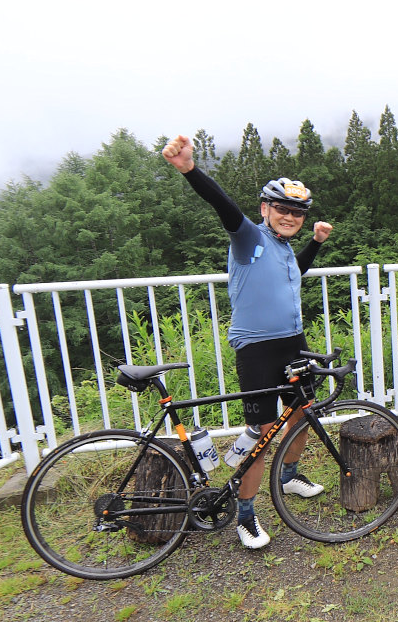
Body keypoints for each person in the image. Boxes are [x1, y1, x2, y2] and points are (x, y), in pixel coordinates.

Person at [161, 134, 334, 549]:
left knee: (301, 416)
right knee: (260, 430)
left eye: (297, 212)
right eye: (282, 209)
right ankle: (244, 514)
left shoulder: (285, 247)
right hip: (256, 348)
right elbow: (225, 208)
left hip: (294, 343)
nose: (290, 217)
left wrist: (315, 242)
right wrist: (190, 170)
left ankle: (289, 478)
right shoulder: (250, 240)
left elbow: (296, 271)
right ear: (265, 209)